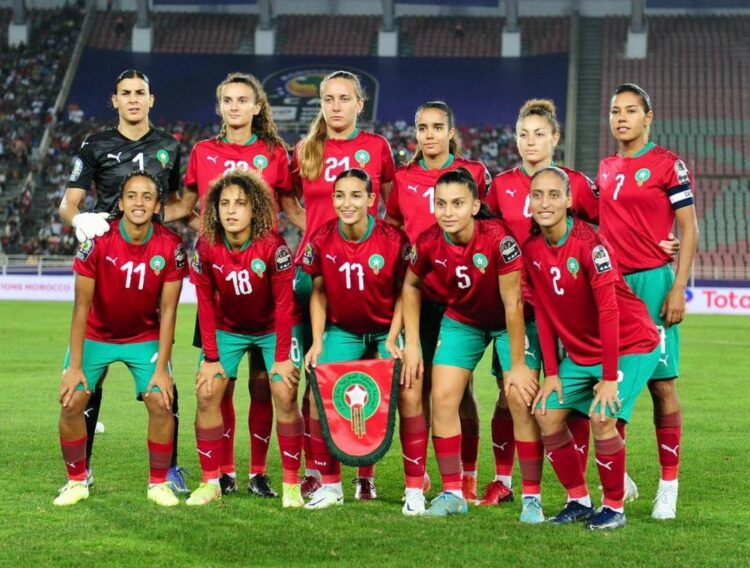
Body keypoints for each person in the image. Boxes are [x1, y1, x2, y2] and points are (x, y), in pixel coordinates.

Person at [165, 72, 299, 498]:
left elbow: (293, 209)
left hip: (266, 283)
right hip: (222, 283)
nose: (235, 106)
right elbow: (186, 207)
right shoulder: (203, 152)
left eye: (243, 100)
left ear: (258, 107)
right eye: (228, 100)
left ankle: (258, 473)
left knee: (264, 386)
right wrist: (130, 215)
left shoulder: (275, 153)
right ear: (220, 106)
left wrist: (333, 232)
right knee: (219, 387)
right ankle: (223, 473)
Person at [58, 69, 186, 494]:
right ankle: (82, 471)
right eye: (125, 93)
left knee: (163, 381)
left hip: (152, 258)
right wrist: (80, 221)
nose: (133, 99)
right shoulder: (95, 145)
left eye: (140, 93)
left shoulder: (170, 146)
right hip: (107, 257)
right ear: (114, 100)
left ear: (151, 99)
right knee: (88, 383)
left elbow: (175, 203)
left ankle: (169, 470)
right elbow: (68, 205)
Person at [524, 166, 660, 530]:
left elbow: (609, 311)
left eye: (554, 195)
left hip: (632, 345)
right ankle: (579, 500)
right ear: (530, 202)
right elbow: (543, 310)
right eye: (538, 195)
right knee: (546, 414)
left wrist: (609, 378)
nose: (545, 203)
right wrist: (552, 373)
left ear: (569, 200)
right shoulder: (532, 249)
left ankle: (614, 507)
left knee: (602, 417)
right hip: (582, 355)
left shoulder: (590, 244)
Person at [402, 168, 537, 517]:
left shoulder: (498, 239)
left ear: (475, 206)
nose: (448, 212)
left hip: (508, 321)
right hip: (463, 320)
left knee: (519, 398)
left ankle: (531, 499)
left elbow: (513, 304)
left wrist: (517, 365)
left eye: (457, 203)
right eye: (441, 204)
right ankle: (452, 494)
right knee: (443, 398)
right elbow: (411, 285)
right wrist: (413, 343)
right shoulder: (429, 241)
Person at [292, 70, 395, 497]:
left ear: (359, 104)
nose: (336, 106)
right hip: (314, 272)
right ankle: (317, 471)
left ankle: (364, 475)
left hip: (367, 272)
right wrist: (316, 231)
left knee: (372, 377)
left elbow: (391, 206)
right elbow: (287, 201)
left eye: (344, 98)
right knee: (315, 374)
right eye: (328, 99)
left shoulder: (377, 147)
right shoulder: (306, 149)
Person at [597, 83, 698, 520]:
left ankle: (668, 486)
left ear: (648, 117)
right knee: (612, 383)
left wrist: (678, 287)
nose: (621, 118)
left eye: (631, 110)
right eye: (615, 111)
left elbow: (689, 227)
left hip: (653, 283)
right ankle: (618, 477)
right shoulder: (605, 168)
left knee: (662, 384)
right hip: (612, 288)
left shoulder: (667, 164)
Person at [385, 100, 491, 501]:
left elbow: (489, 225)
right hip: (420, 294)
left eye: (436, 127)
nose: (429, 135)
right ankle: (419, 475)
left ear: (450, 132)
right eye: (422, 128)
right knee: (414, 386)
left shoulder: (474, 173)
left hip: (462, 295)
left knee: (459, 392)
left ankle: (468, 475)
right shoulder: (404, 177)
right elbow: (393, 228)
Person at [301, 168, 423, 513]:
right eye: (340, 196)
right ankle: (331, 486)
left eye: (356, 195)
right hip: (344, 330)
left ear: (371, 199)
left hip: (386, 329)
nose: (347, 203)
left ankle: (414, 488)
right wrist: (317, 341)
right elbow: (318, 291)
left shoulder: (393, 239)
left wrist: (395, 336)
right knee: (317, 394)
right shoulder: (322, 238)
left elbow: (405, 291)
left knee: (409, 391)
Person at [187, 169, 304, 507]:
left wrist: (281, 358)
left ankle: (292, 485)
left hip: (272, 329)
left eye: (240, 203)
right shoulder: (206, 246)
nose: (231, 210)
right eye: (224, 203)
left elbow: (284, 305)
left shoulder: (273, 246)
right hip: (228, 328)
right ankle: (210, 482)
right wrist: (211, 359)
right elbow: (205, 304)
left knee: (283, 391)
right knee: (207, 392)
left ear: (255, 209)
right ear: (215, 209)